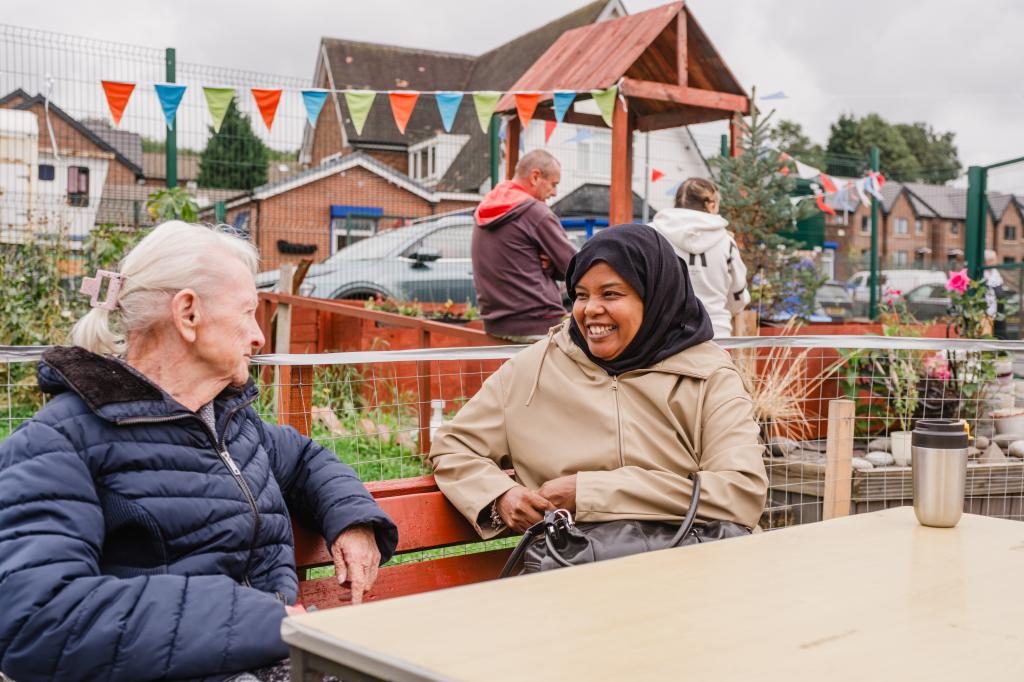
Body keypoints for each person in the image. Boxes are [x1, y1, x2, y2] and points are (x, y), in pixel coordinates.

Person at [0, 222, 398, 682]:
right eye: (248, 312)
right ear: (188, 313)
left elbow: (306, 459)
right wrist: (264, 621)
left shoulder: (230, 423)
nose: (259, 337)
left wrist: (352, 519)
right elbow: (37, 619)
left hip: (278, 660)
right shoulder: (58, 443)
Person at [430, 224, 767, 541]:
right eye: (580, 294)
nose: (591, 309)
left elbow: (739, 493)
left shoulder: (708, 374)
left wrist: (590, 493)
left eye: (611, 294)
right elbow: (454, 446)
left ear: (654, 299)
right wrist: (500, 494)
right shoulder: (533, 369)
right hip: (570, 570)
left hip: (693, 571)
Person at [472, 149, 577, 343]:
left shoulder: (486, 207)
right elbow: (574, 266)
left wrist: (550, 264)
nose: (554, 193)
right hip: (536, 321)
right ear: (535, 177)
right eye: (554, 184)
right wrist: (554, 265)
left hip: (495, 322)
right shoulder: (535, 212)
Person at [650, 177, 750, 338]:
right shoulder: (726, 242)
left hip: (664, 335)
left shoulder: (651, 234)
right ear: (711, 205)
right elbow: (738, 294)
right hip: (715, 333)